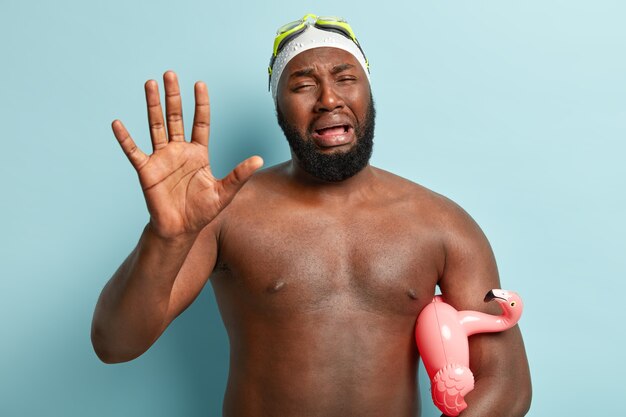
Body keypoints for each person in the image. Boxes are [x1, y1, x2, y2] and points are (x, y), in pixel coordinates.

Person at [91, 14, 531, 417]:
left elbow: (506, 381)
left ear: (368, 91)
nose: (328, 98)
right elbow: (115, 342)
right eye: (302, 85)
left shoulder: (444, 224)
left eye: (346, 78)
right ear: (279, 107)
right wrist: (165, 237)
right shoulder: (226, 214)